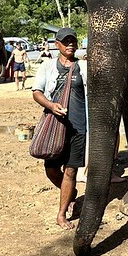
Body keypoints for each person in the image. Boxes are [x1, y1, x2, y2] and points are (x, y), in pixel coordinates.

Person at [32, 28, 87, 230]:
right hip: (54, 126)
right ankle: (71, 193)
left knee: (71, 171)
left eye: (73, 41)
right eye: (66, 41)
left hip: (78, 127)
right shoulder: (47, 66)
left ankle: (61, 214)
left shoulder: (83, 67)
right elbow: (36, 91)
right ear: (57, 45)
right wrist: (51, 105)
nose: (70, 44)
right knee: (51, 170)